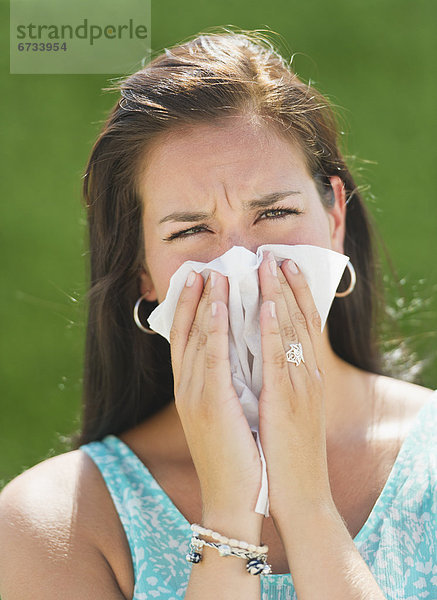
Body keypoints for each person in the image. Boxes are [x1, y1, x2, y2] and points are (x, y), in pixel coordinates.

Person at [0, 28, 435, 600]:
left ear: (335, 222)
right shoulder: (56, 521)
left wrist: (304, 501)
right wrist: (230, 510)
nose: (245, 263)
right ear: (144, 273)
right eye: (190, 230)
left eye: (275, 212)